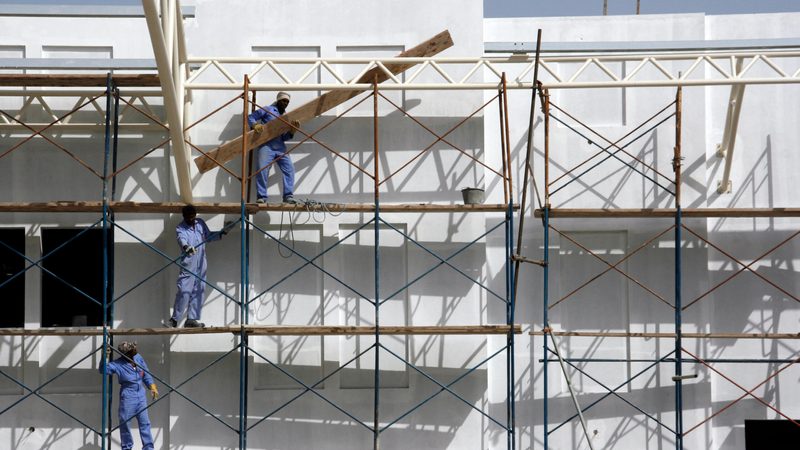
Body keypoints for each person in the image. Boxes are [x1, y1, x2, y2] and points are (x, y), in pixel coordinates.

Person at [167, 204, 233, 328]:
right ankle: (174, 319)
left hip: (201, 262)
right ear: (184, 217)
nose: (191, 220)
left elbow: (208, 237)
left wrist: (222, 232)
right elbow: (181, 239)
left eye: (193, 217)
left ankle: (191, 319)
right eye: (189, 218)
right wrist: (186, 247)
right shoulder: (180, 228)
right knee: (184, 290)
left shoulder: (200, 223)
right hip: (189, 262)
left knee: (199, 290)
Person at [99, 341, 158, 450]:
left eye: (134, 349)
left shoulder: (138, 357)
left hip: (141, 395)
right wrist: (104, 356)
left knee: (145, 423)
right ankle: (127, 447)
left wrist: (152, 386)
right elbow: (103, 370)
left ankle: (149, 448)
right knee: (125, 424)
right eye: (131, 351)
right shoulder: (117, 364)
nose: (134, 352)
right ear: (125, 354)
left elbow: (145, 373)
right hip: (128, 397)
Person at [248, 91, 300, 203]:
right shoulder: (268, 109)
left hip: (280, 147)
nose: (285, 103)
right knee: (262, 170)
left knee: (289, 169)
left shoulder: (286, 116)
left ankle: (288, 196)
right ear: (278, 100)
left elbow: (284, 137)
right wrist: (254, 124)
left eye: (287, 101)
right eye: (283, 101)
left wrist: (291, 132)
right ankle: (261, 196)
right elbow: (251, 117)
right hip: (266, 145)